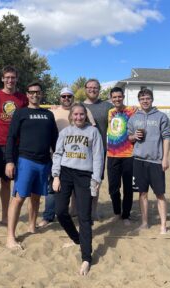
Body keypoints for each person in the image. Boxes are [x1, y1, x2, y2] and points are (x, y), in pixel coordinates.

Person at [5, 81, 58, 249]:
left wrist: (57, 162)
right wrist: (9, 161)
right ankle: (10, 237)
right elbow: (11, 138)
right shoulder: (21, 113)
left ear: (41, 94)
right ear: (27, 94)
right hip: (25, 161)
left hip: (44, 162)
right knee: (19, 198)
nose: (35, 95)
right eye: (32, 92)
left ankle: (31, 226)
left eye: (38, 92)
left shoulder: (48, 115)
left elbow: (55, 140)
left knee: (36, 197)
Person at [52, 103, 104, 276]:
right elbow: (58, 154)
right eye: (76, 114)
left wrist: (96, 179)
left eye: (82, 114)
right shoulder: (65, 132)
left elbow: (98, 157)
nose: (79, 117)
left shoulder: (93, 132)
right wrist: (56, 176)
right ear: (71, 116)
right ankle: (76, 239)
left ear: (85, 116)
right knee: (60, 211)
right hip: (65, 173)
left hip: (84, 175)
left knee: (84, 217)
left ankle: (86, 258)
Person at [38, 87, 96, 227]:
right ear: (60, 98)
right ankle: (48, 216)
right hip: (57, 154)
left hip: (78, 155)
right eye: (63, 96)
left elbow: (92, 129)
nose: (66, 99)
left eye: (69, 96)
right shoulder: (53, 112)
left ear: (73, 98)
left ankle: (75, 212)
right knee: (53, 186)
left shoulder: (84, 111)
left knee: (77, 188)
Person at [0, 66, 28, 229]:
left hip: (15, 146)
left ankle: (4, 217)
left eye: (13, 77)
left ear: (17, 79)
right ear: (2, 79)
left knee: (6, 182)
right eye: (7, 77)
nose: (10, 80)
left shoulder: (22, 98)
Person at [127, 88, 170, 234]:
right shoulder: (134, 118)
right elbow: (129, 137)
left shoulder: (161, 116)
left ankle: (163, 225)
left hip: (156, 161)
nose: (145, 101)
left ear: (152, 99)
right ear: (139, 101)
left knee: (159, 194)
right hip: (139, 160)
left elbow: (166, 138)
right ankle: (145, 222)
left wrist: (165, 158)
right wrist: (134, 136)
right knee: (142, 193)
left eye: (147, 98)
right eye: (142, 99)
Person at [83, 78, 113, 220]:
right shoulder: (78, 106)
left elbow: (120, 116)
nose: (92, 90)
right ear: (85, 89)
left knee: (96, 182)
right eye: (89, 87)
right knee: (80, 181)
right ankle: (78, 210)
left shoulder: (107, 106)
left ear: (99, 89)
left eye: (95, 87)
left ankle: (93, 211)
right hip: (81, 150)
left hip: (99, 151)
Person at [107, 87, 137, 225]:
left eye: (119, 97)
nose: (117, 99)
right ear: (111, 98)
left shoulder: (132, 110)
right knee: (113, 187)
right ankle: (117, 213)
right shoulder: (110, 112)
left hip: (128, 154)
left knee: (128, 188)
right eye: (114, 97)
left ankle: (126, 215)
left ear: (123, 96)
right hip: (112, 154)